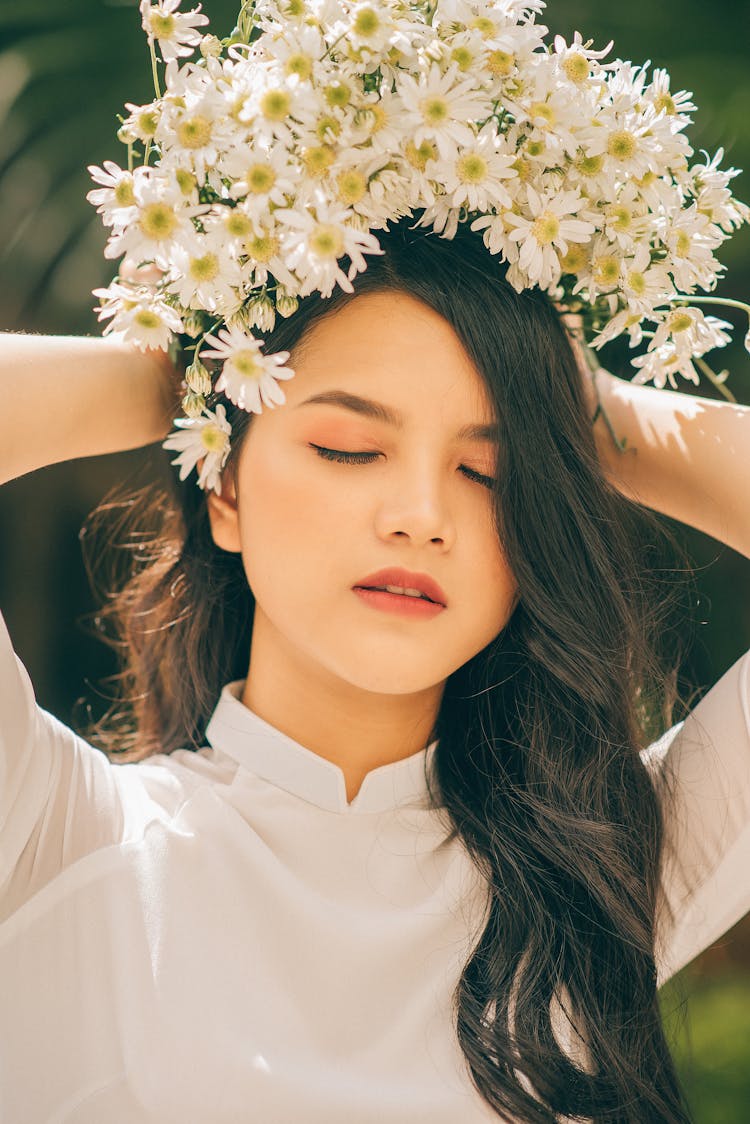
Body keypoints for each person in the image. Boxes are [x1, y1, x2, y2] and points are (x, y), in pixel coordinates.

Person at [0, 217, 748, 1123]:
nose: (421, 515)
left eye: (488, 471)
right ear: (224, 489)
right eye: (348, 448)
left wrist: (588, 413)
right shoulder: (55, 835)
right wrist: (191, 370)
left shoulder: (603, 879)